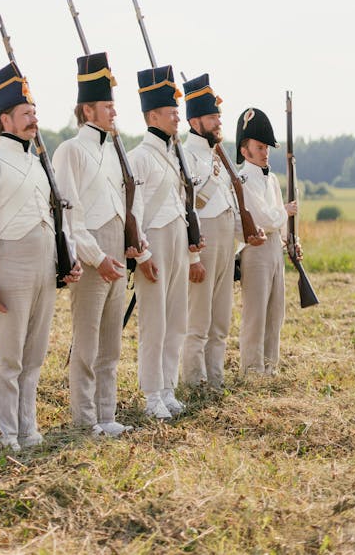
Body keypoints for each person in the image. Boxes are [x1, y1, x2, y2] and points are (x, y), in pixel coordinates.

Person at [0, 63, 80, 452]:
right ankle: (5, 433)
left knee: (34, 354)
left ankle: (28, 427)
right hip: (10, 264)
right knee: (10, 356)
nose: (34, 120)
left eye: (34, 113)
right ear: (5, 119)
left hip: (44, 263)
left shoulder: (37, 163)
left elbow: (53, 216)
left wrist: (69, 259)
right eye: (26, 114)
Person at [52, 52, 147, 437]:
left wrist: (131, 240)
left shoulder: (114, 150)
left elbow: (127, 202)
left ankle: (106, 415)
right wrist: (97, 257)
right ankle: (85, 418)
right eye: (107, 106)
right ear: (87, 109)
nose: (114, 112)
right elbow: (70, 218)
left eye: (113, 105)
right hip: (92, 255)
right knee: (87, 345)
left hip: (116, 250)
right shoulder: (70, 151)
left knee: (111, 344)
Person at [128, 65, 204, 419]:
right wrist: (142, 252)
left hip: (176, 237)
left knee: (176, 319)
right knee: (154, 323)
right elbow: (135, 209)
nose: (178, 116)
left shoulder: (177, 153)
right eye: (172, 111)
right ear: (152, 115)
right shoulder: (139, 157)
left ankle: (169, 388)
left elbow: (185, 202)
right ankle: (151, 394)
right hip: (154, 241)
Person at [181, 74, 264, 389]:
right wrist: (194, 256)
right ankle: (193, 382)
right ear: (195, 120)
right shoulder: (187, 156)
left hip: (226, 240)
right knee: (198, 320)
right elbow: (188, 207)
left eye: (218, 116)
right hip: (205, 240)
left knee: (220, 321)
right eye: (212, 116)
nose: (218, 122)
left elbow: (231, 201)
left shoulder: (220, 155)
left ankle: (214, 380)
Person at [235, 107, 299, 377]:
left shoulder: (270, 178)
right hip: (256, 249)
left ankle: (270, 366)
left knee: (275, 311)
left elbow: (278, 220)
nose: (265, 152)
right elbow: (263, 216)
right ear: (244, 150)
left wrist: (291, 240)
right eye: (259, 147)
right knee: (256, 313)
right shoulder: (243, 179)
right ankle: (252, 369)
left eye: (266, 147)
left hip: (274, 248)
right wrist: (285, 211)